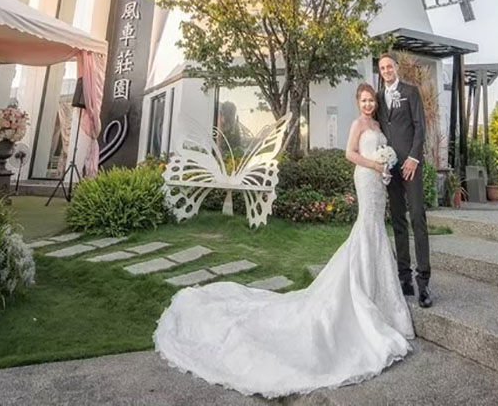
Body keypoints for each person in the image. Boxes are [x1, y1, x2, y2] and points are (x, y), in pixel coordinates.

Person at [153, 82, 414, 398]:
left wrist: (385, 168)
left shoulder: (378, 126)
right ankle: (361, 288)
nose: (368, 104)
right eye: (364, 100)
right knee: (366, 226)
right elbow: (350, 153)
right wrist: (374, 164)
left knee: (374, 229)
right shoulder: (358, 124)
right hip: (365, 178)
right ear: (358, 102)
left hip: (378, 182)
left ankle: (377, 289)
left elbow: (380, 153)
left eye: (371, 100)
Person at [375, 52, 433, 308]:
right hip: (391, 168)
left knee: (417, 217)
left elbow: (420, 127)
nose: (386, 71)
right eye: (382, 68)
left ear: (396, 68)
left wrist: (413, 158)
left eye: (389, 66)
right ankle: (404, 277)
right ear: (380, 72)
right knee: (398, 219)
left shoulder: (410, 92)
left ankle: (424, 282)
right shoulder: (378, 97)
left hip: (411, 165)